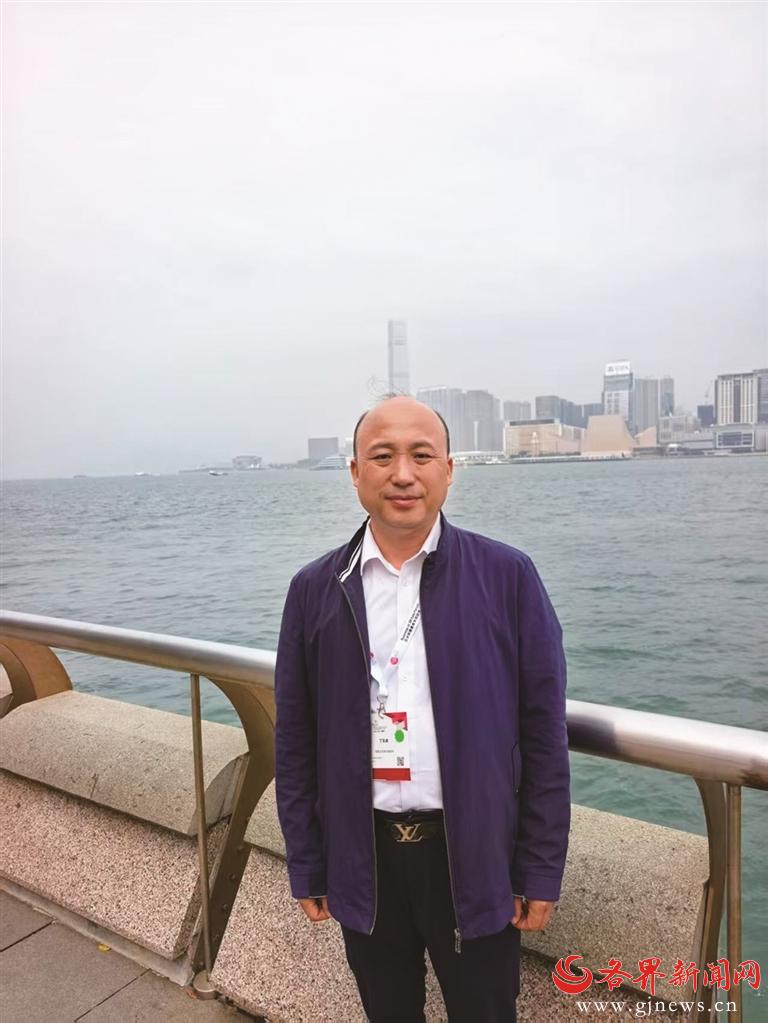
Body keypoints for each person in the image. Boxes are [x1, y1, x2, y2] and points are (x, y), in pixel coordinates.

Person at [275, 396, 570, 1022]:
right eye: (382, 457)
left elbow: (544, 734)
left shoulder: (508, 576)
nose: (403, 474)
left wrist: (539, 868)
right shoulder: (314, 590)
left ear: (449, 469)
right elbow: (296, 740)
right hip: (364, 856)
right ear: (355, 472)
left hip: (476, 856)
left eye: (421, 455)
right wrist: (307, 861)